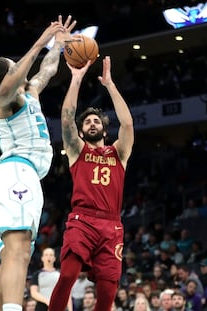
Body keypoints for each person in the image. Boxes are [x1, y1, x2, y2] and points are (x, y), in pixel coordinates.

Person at [0, 15, 77, 311]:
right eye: (15, 66)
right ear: (7, 76)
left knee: (10, 257)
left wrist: (57, 47)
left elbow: (47, 70)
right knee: (19, 251)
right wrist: (40, 41)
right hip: (16, 172)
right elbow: (9, 85)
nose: (22, 67)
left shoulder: (31, 92)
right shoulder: (4, 102)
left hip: (21, 176)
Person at [48, 54, 134, 311]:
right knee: (67, 276)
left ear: (105, 131)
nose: (92, 123)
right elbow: (66, 118)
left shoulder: (118, 153)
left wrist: (110, 85)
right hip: (82, 220)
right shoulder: (77, 151)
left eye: (96, 120)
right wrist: (76, 79)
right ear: (82, 132)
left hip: (111, 225)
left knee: (108, 292)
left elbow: (128, 123)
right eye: (87, 122)